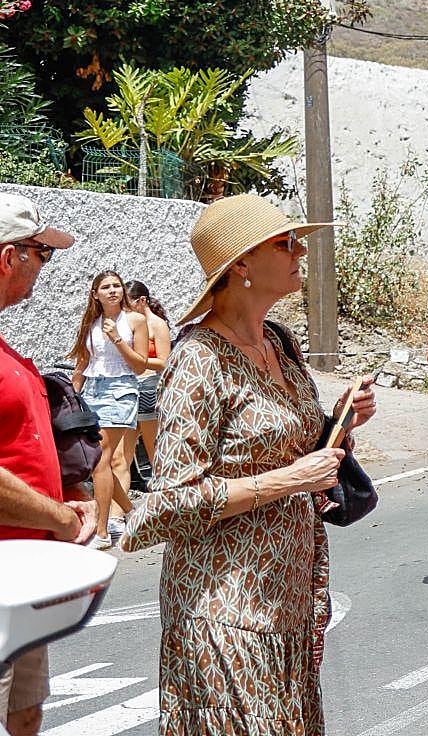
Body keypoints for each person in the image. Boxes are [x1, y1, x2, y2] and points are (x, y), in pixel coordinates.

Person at [124, 194, 378, 735]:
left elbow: (296, 453)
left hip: (285, 604)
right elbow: (168, 506)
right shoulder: (199, 360)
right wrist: (290, 479)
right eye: (284, 243)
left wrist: (340, 424)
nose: (300, 251)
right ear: (240, 266)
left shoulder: (280, 344)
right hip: (225, 608)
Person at [0, 196, 90, 736]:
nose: (44, 265)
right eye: (41, 253)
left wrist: (71, 494)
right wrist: (60, 517)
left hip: (23, 567)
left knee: (24, 713)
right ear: (9, 257)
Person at [70, 269, 146, 546]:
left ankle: (101, 532)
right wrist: (72, 395)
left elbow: (139, 366)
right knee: (96, 460)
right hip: (93, 390)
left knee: (100, 457)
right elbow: (82, 363)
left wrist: (116, 338)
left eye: (116, 286)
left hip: (121, 389)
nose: (113, 290)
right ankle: (131, 511)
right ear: (96, 294)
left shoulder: (135, 320)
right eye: (106, 287)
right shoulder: (91, 323)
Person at [127, 281, 172, 482]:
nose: (124, 311)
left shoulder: (157, 325)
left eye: (128, 305)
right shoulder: (129, 325)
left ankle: (165, 496)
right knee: (121, 457)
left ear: (142, 301)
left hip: (149, 388)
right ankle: (119, 510)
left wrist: (137, 359)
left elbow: (164, 361)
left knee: (155, 452)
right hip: (129, 389)